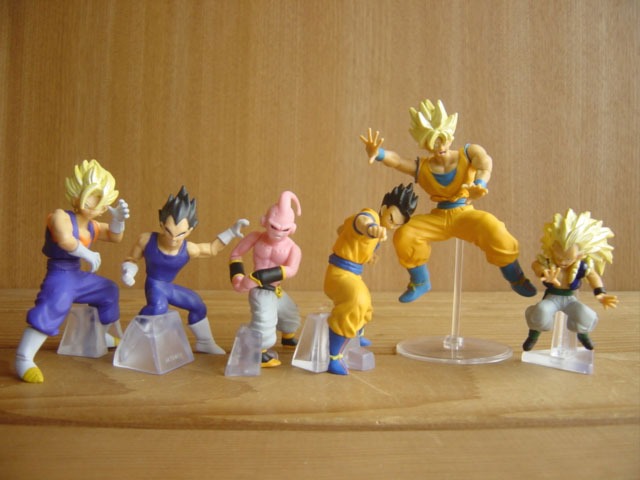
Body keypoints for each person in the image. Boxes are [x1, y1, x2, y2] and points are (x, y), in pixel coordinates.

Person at [361, 98, 536, 302]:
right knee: (405, 233)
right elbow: (398, 161)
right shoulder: (423, 167)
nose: (439, 146)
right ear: (424, 143)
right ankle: (420, 281)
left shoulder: (468, 153)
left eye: (442, 139)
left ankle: (516, 277)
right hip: (439, 217)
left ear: (450, 135)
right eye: (432, 142)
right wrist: (379, 153)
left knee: (494, 228)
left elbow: (484, 163)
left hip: (465, 214)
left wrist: (480, 183)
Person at [16, 159, 130, 383]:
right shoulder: (60, 216)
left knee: (108, 290)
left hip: (77, 275)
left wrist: (118, 221)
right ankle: (23, 357)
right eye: (94, 197)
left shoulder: (92, 225)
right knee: (53, 306)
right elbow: (64, 238)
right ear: (79, 193)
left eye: (102, 201)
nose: (98, 205)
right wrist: (86, 252)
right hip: (60, 274)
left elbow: (114, 236)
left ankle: (98, 335)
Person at [121, 186, 248, 354]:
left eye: (180, 234)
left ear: (189, 231)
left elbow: (212, 249)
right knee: (158, 308)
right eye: (169, 232)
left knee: (197, 305)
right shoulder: (146, 240)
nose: (173, 239)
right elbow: (132, 259)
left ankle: (205, 342)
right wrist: (129, 271)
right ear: (161, 224)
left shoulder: (189, 249)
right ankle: (130, 341)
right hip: (154, 285)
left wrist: (231, 232)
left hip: (168, 286)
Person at [324, 183, 418, 375]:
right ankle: (333, 356)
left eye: (397, 225)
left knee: (366, 303)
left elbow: (342, 229)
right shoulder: (370, 216)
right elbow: (361, 221)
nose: (392, 226)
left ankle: (357, 334)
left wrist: (368, 254)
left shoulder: (380, 229)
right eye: (391, 219)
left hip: (352, 273)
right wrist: (370, 228)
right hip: (339, 273)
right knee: (356, 302)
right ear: (383, 208)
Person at [523, 209, 617, 351]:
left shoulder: (582, 266)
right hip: (552, 297)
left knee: (586, 315)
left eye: (568, 259)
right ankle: (533, 335)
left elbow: (593, 277)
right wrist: (544, 272)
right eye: (559, 257)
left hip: (570, 299)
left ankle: (583, 335)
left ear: (579, 255)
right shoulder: (548, 262)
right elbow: (536, 265)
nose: (562, 262)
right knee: (540, 311)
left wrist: (600, 293)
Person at [229, 191, 302, 367]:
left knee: (290, 312)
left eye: (284, 229)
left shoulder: (293, 248)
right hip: (259, 291)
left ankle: (288, 336)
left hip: (274, 288)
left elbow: (291, 270)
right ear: (264, 221)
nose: (278, 232)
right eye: (274, 227)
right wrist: (237, 277)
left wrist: (260, 277)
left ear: (292, 229)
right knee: (264, 319)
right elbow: (236, 254)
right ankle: (259, 352)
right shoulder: (256, 237)